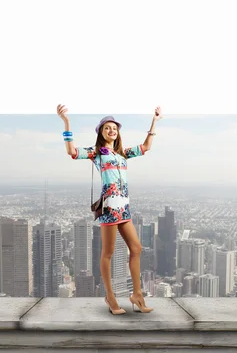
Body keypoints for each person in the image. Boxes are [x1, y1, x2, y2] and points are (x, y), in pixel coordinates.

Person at [57, 104, 162, 314]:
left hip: (124, 209)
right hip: (109, 211)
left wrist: (154, 122)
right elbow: (72, 151)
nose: (111, 131)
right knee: (108, 253)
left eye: (114, 128)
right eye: (107, 128)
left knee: (137, 249)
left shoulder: (122, 153)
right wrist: (66, 123)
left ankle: (137, 294)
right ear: (101, 133)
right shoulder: (97, 153)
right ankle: (110, 296)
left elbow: (146, 147)